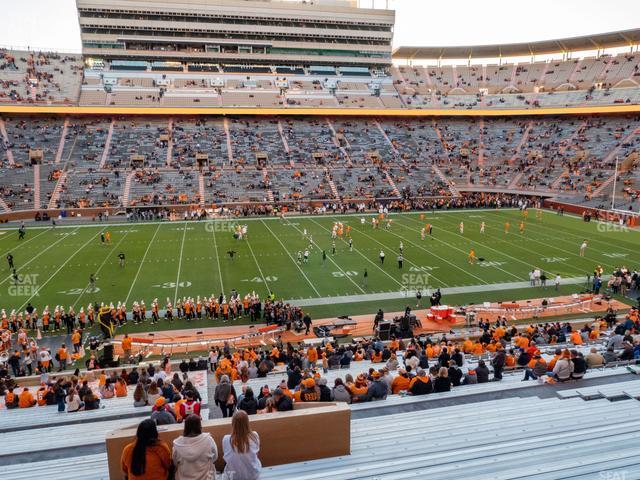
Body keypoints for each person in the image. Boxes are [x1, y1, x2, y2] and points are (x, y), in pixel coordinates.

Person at [172, 415, 218, 480]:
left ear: (186, 426)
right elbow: (215, 456)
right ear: (199, 425)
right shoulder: (208, 439)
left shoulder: (178, 444)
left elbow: (175, 462)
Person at [222, 410, 262, 480]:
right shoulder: (255, 436)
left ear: (233, 423)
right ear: (247, 422)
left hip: (234, 477)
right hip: (253, 475)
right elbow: (255, 455)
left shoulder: (226, 439)